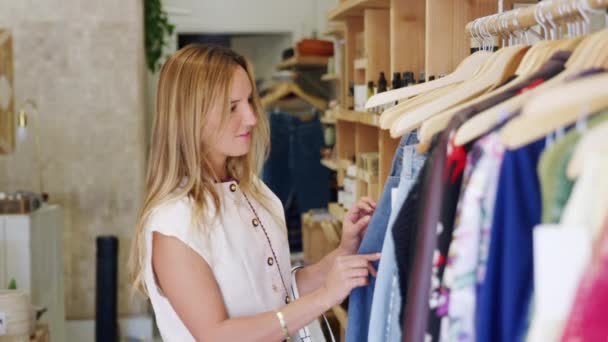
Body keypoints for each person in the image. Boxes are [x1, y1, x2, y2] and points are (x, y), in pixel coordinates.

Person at [129, 44, 380, 342]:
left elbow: (281, 290)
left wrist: (343, 253)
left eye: (249, 101)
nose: (251, 117)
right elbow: (217, 336)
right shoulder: (173, 224)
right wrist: (324, 298)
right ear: (191, 116)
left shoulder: (256, 192)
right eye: (232, 106)